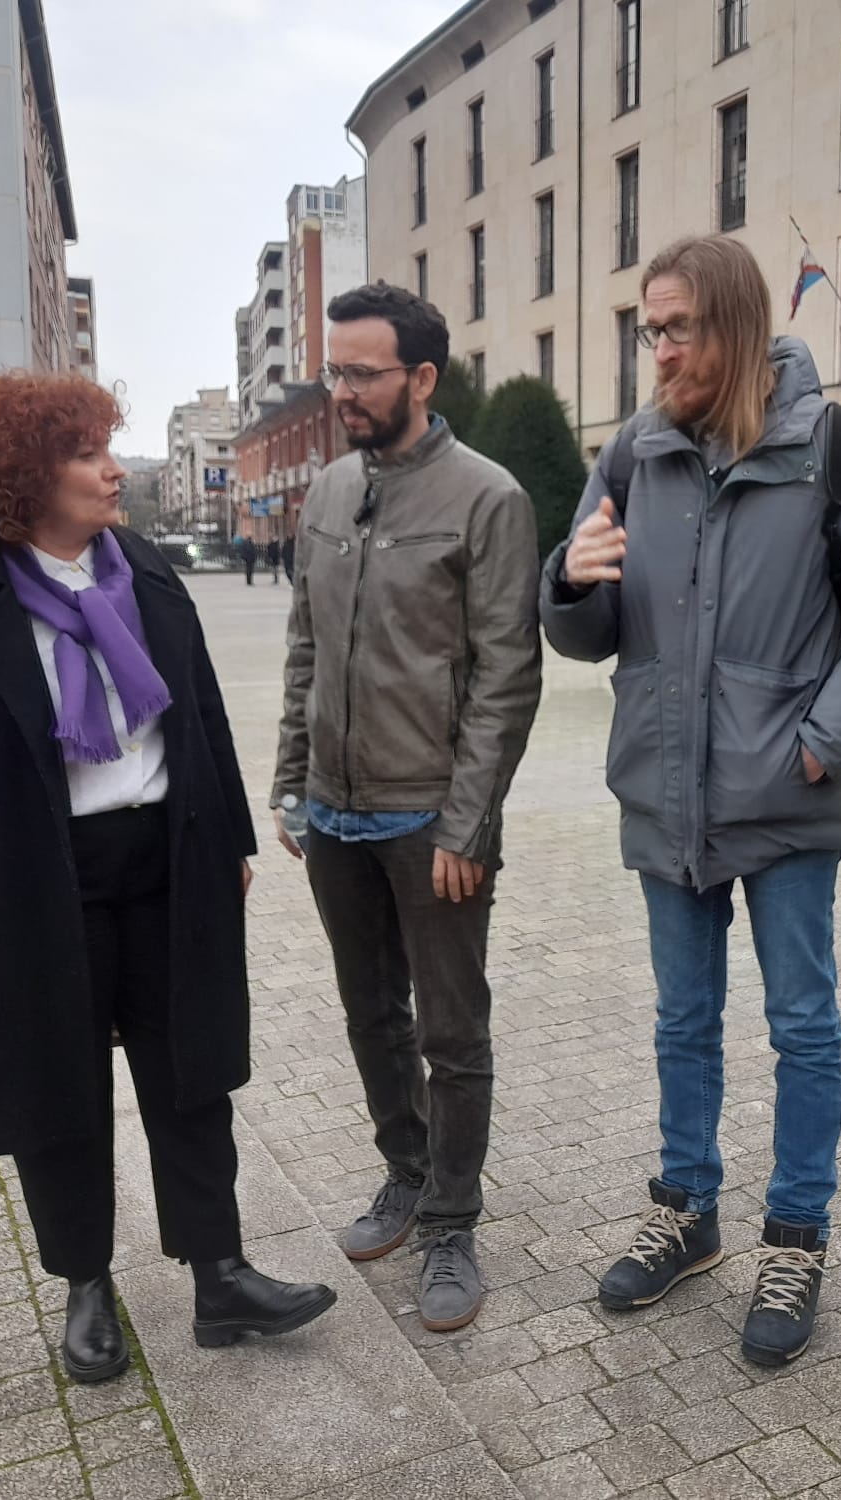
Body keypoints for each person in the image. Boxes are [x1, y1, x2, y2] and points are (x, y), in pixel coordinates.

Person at [0, 371, 336, 1389]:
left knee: (192, 1075)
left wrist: (225, 839)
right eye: (87, 454)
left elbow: (196, 717)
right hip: (25, 875)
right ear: (22, 475)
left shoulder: (139, 569)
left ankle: (219, 1273)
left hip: (163, 862)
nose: (113, 470)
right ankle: (86, 1285)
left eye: (110, 447)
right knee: (56, 1084)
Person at [541, 235, 841, 1367]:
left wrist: (824, 742)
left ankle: (795, 1236)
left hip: (784, 798)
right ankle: (687, 1209)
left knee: (801, 1025)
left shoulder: (835, 448)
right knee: (682, 1019)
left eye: (676, 328)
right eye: (647, 330)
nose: (657, 350)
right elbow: (584, 627)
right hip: (665, 794)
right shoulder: (632, 452)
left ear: (736, 327)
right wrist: (568, 581)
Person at [272, 282, 541, 1334]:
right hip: (335, 814)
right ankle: (403, 1169)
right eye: (333, 370)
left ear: (420, 379)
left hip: (430, 819)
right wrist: (292, 780)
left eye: (361, 372)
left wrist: (468, 824)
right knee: (368, 1014)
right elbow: (303, 644)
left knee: (451, 1031)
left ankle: (450, 1222)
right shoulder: (329, 491)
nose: (341, 389)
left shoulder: (487, 498)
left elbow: (504, 678)